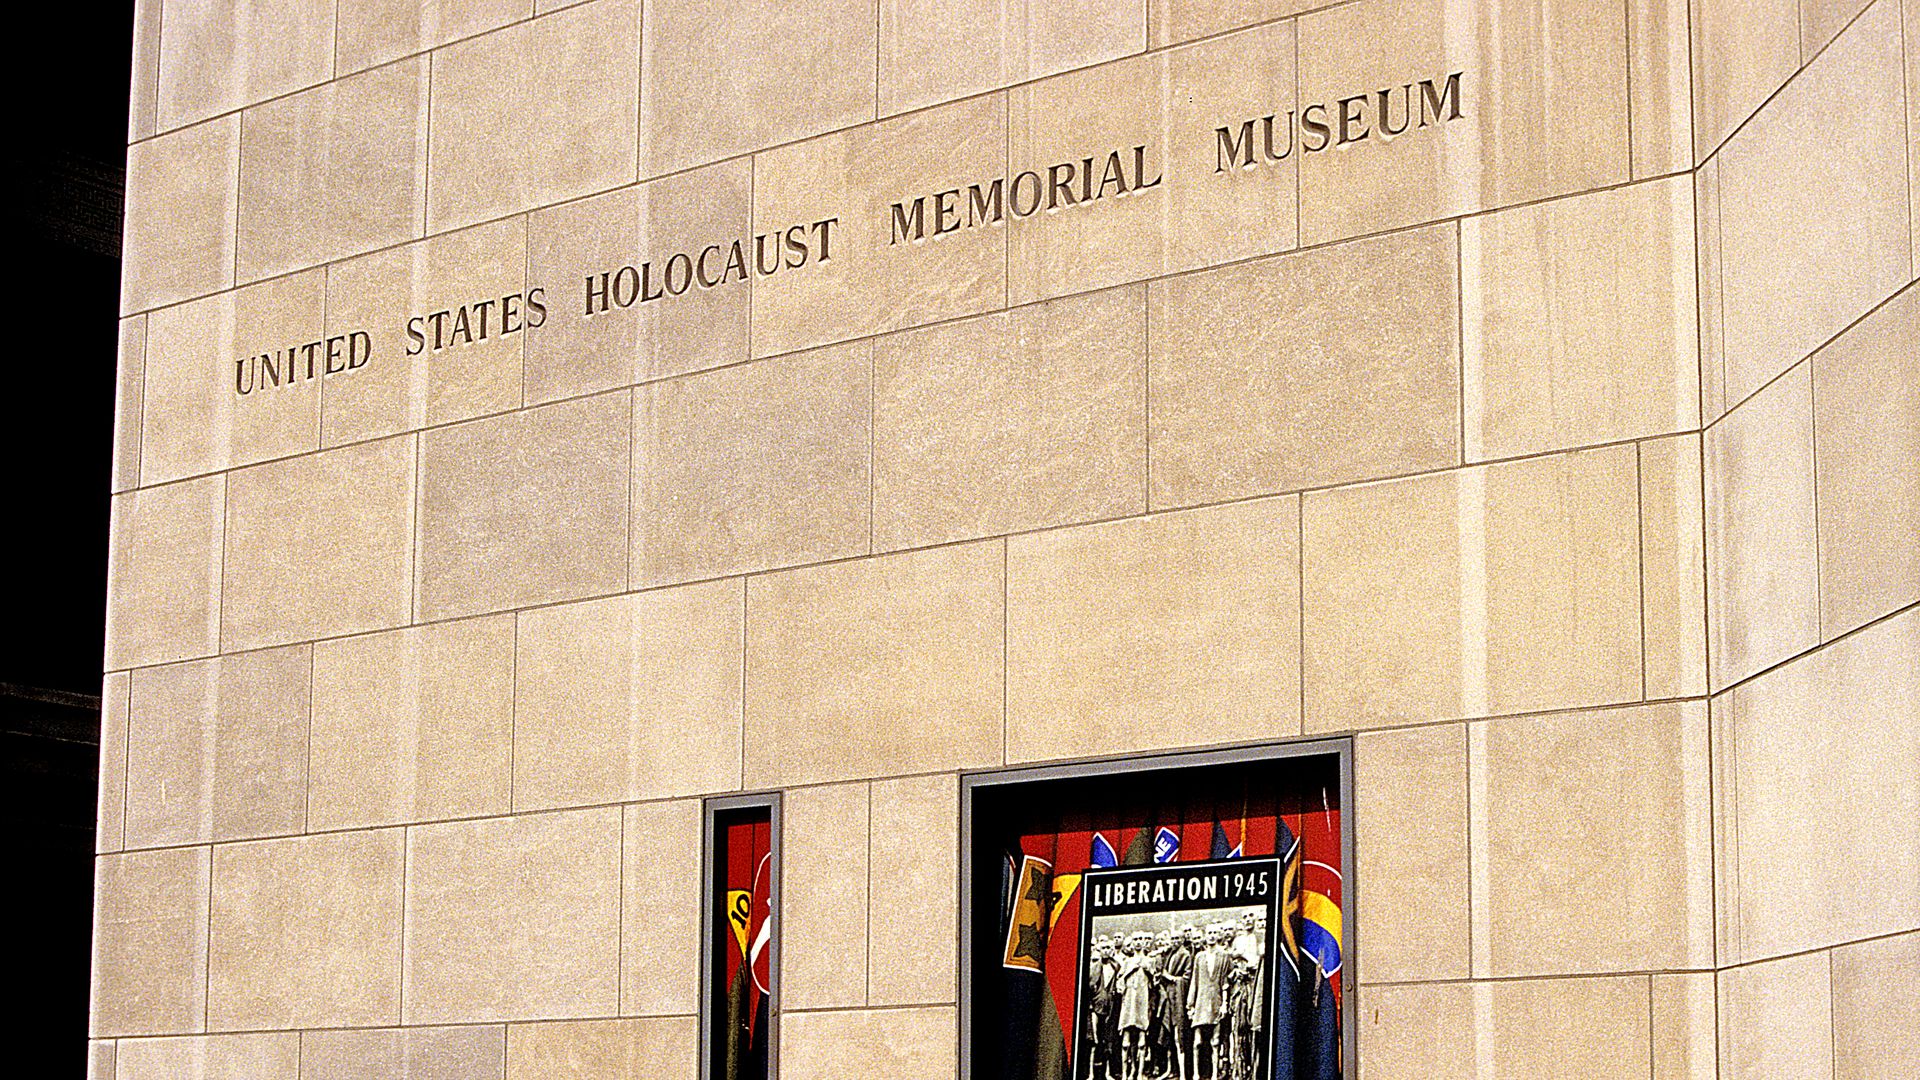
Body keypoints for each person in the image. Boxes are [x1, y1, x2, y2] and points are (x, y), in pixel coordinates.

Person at [1187, 925, 1229, 1079]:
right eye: (1209, 933)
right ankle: (1197, 1074)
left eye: (1214, 933)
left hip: (1215, 1001)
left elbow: (1225, 982)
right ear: (1205, 935)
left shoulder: (1223, 956)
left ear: (1219, 935)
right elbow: (1194, 981)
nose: (1211, 936)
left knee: (1215, 1041)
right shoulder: (1199, 957)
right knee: (1197, 1041)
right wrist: (1190, 1005)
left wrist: (1225, 1003)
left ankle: (1214, 1075)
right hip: (1201, 1002)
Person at [1155, 925, 1195, 1079]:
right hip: (1168, 999)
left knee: (1179, 1035)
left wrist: (1170, 978)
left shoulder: (1185, 955)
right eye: (1172, 939)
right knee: (1169, 1034)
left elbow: (1186, 978)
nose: (1175, 941)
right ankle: (1171, 1070)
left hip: (1179, 998)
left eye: (1177, 938)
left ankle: (1184, 1074)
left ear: (1182, 939)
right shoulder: (1169, 954)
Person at [1117, 933, 1156, 1080]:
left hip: (1142, 1001)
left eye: (1141, 939)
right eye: (1136, 940)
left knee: (1141, 1039)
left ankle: (1140, 1074)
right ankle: (1126, 1074)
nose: (1139, 942)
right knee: (1126, 1042)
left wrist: (1148, 970)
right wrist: (1130, 970)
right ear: (1132, 943)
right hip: (1129, 1002)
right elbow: (1119, 983)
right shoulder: (1127, 961)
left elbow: (1154, 984)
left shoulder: (1149, 961)